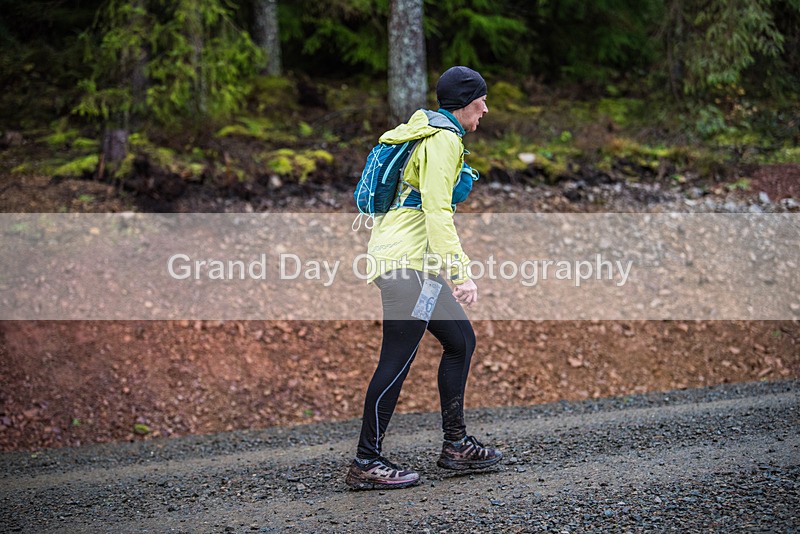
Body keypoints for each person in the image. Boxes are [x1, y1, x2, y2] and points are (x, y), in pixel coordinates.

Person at [345, 66, 503, 490]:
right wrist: (461, 273)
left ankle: (456, 445)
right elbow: (437, 211)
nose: (485, 109)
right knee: (397, 359)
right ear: (466, 103)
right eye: (481, 101)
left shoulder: (427, 132)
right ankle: (366, 460)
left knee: (461, 341)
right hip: (405, 267)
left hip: (414, 266)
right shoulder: (444, 139)